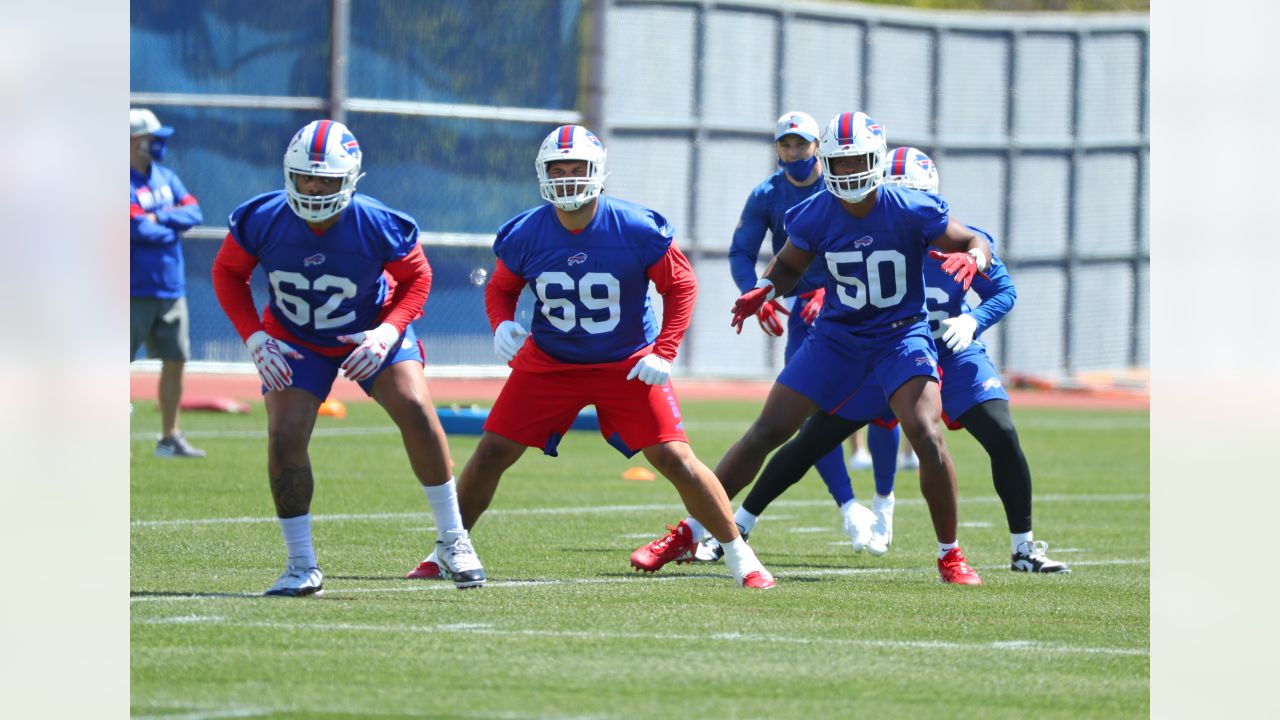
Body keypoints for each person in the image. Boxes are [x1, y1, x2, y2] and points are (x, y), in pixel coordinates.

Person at [407, 124, 775, 590]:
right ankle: (445, 550)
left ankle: (742, 558)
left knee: (675, 458)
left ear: (597, 172)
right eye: (556, 170)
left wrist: (664, 350)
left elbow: (681, 285)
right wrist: (500, 322)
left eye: (575, 169)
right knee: (490, 453)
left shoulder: (636, 227)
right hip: (551, 360)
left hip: (625, 361)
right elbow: (501, 287)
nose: (566, 179)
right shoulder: (525, 232)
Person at [634, 112, 992, 584]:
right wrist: (763, 291)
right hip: (837, 336)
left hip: (900, 334)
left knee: (926, 433)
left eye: (856, 162)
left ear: (876, 161)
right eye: (838, 164)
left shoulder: (910, 206)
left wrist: (976, 256)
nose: (847, 173)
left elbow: (971, 237)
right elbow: (787, 268)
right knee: (766, 431)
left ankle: (950, 554)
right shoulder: (813, 212)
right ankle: (690, 530)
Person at [723, 147, 1069, 573]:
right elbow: (829, 270)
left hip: (951, 349)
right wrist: (812, 296)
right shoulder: (871, 225)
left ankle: (1023, 547)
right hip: (887, 350)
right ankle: (738, 523)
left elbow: (1004, 289)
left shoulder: (947, 233)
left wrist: (974, 321)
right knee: (812, 437)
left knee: (999, 430)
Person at [211, 119, 478, 596]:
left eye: (326, 180)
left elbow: (418, 279)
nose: (313, 189)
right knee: (284, 434)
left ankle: (454, 540)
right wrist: (254, 337)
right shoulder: (261, 218)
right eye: (305, 177)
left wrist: (387, 332)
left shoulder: (375, 222)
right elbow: (227, 273)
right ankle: (300, 565)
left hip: (369, 329)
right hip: (295, 335)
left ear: (350, 179)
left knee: (415, 409)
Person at [710, 110, 875, 556]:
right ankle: (849, 508)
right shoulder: (767, 194)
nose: (794, 152)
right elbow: (741, 252)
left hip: (863, 304)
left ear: (817, 147)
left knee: (891, 407)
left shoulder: (840, 183)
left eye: (801, 143)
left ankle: (885, 506)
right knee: (802, 414)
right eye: (786, 144)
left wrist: (831, 289)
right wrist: (756, 294)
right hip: (804, 310)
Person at [130, 108, 206, 459]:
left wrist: (157, 217)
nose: (159, 144)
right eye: (153, 138)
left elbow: (194, 213)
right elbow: (135, 228)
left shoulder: (167, 177)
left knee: (176, 360)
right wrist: (164, 223)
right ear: (133, 141)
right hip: (130, 289)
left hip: (170, 287)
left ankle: (169, 437)